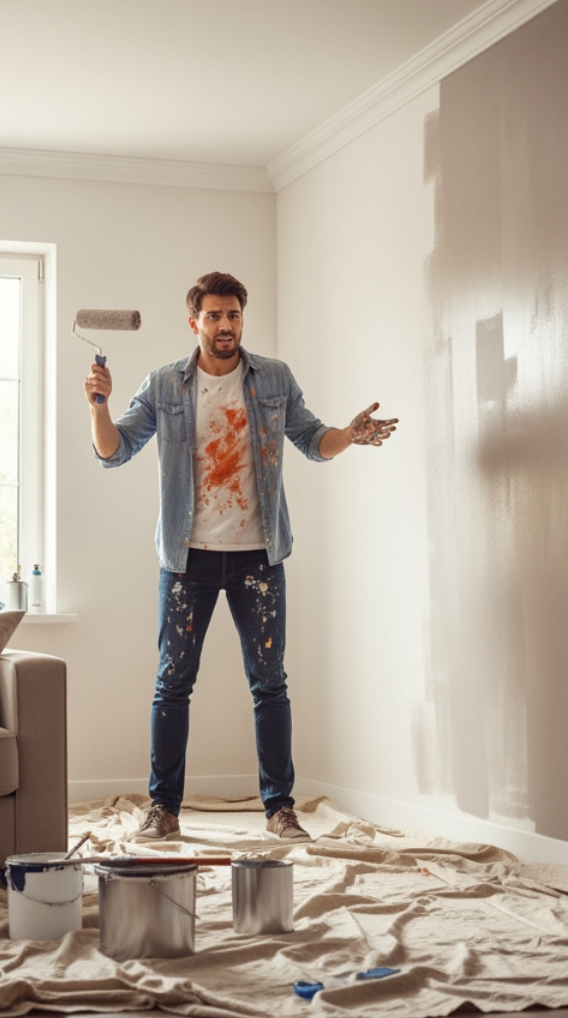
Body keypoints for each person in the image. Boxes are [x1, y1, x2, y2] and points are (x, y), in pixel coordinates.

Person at [87, 272, 398, 842]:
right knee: (172, 684)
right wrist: (100, 406)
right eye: (213, 316)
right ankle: (165, 808)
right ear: (195, 322)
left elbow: (312, 440)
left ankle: (280, 809)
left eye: (232, 315)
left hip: (259, 556)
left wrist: (349, 435)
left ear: (241, 320)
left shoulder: (273, 379)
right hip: (187, 560)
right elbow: (114, 451)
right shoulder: (164, 385)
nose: (224, 325)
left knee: (269, 684)